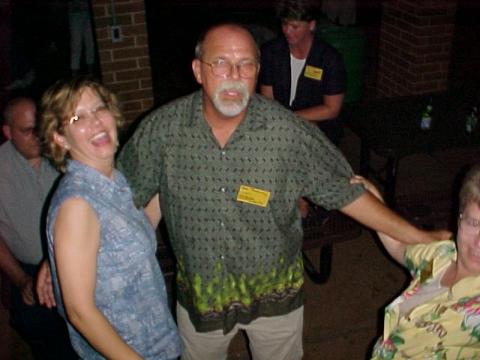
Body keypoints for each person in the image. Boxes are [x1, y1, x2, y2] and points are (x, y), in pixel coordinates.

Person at [117, 23, 450, 360]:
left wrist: (419, 237)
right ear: (198, 71)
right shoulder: (161, 132)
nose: (234, 74)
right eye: (220, 62)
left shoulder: (286, 132)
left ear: (257, 71)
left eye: (246, 64)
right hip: (201, 302)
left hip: (275, 301)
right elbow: (117, 202)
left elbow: (346, 193)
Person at [39, 78, 181, 359]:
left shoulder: (112, 181)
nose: (96, 122)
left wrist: (168, 182)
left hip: (156, 342)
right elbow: (80, 312)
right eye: (78, 117)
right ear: (59, 137)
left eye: (99, 108)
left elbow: (134, 234)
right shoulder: (78, 204)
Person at [352, 171, 480, 359]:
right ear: (459, 218)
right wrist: (373, 199)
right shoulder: (441, 255)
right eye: (474, 223)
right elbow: (398, 246)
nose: (479, 242)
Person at [0, 97, 75, 359]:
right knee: (37, 326)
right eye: (27, 130)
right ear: (8, 133)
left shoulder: (62, 153)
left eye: (40, 127)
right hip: (28, 269)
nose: (38, 137)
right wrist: (22, 280)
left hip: (74, 261)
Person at [259, 0, 346, 145]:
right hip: (280, 126)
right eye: (284, 24)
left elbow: (332, 109)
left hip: (320, 129)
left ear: (311, 25)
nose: (287, 31)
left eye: (294, 26)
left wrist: (289, 119)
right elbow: (267, 99)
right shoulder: (271, 52)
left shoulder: (329, 58)